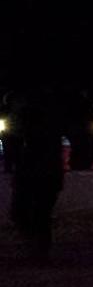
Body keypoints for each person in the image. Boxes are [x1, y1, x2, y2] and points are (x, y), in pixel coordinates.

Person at [6, 88, 66, 263]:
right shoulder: (44, 125)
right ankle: (38, 250)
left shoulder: (31, 126)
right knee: (37, 214)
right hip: (43, 173)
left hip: (37, 173)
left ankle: (38, 251)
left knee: (32, 213)